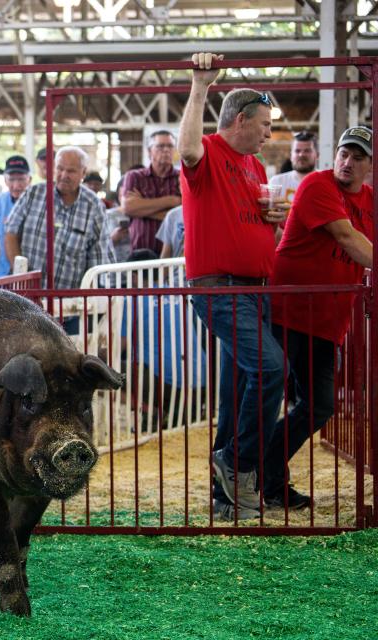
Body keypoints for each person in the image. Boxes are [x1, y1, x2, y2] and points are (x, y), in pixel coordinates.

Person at [179, 52, 288, 519]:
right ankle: (238, 462)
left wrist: (275, 223)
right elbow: (186, 150)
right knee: (271, 369)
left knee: (239, 385)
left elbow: (250, 222)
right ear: (240, 119)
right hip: (220, 288)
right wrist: (200, 85)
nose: (269, 134)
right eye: (264, 125)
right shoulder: (209, 151)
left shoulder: (256, 168)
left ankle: (226, 498)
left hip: (254, 288)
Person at [266, 126, 374, 509]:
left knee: (320, 405)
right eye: (344, 153)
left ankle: (261, 468)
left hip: (327, 321)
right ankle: (255, 476)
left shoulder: (370, 199)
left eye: (358, 157)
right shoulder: (318, 185)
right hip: (287, 311)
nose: (347, 162)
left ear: (369, 166)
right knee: (264, 397)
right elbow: (346, 237)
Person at [4, 145, 112, 289]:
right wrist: (22, 278)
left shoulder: (94, 206)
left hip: (68, 302)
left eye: (71, 171)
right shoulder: (34, 193)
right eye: (60, 169)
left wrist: (89, 301)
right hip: (26, 296)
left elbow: (98, 259)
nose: (64, 175)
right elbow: (11, 234)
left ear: (83, 172)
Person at [121, 130, 181, 255]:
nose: (166, 150)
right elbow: (128, 208)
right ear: (149, 152)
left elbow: (183, 216)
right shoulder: (135, 176)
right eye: (160, 146)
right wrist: (172, 201)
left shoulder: (182, 177)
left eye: (170, 146)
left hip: (173, 256)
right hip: (140, 255)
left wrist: (142, 209)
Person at [0, 155, 31, 277]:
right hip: (0, 274)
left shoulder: (38, 205)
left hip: (30, 273)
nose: (16, 185)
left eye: (21, 179)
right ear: (5, 180)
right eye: (11, 180)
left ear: (29, 179)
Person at [269, 130, 319, 207]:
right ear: (291, 156)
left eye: (307, 151)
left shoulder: (327, 183)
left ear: (317, 155)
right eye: (297, 151)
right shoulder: (277, 182)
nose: (301, 154)